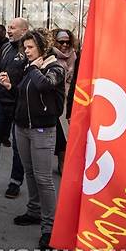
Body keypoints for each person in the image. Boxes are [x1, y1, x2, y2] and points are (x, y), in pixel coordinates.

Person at [0, 29, 65, 250]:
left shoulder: (55, 67)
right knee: (29, 172)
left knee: (44, 179)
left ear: (42, 48)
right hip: (22, 127)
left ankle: (50, 227)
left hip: (42, 130)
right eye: (25, 48)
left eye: (30, 48)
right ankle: (34, 211)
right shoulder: (31, 67)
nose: (26, 51)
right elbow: (25, 93)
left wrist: (36, 67)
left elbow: (44, 85)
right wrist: (11, 87)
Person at [0, 17, 28, 198]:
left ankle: (15, 182)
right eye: (8, 27)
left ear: (24, 30)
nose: (9, 31)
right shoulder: (5, 47)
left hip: (19, 104)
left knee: (18, 146)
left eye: (12, 28)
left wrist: (14, 89)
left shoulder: (28, 50)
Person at [52, 29, 77, 174]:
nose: (65, 45)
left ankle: (64, 164)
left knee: (67, 136)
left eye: (68, 42)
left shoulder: (75, 56)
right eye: (61, 42)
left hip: (71, 100)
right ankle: (60, 164)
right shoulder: (51, 56)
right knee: (59, 136)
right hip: (56, 100)